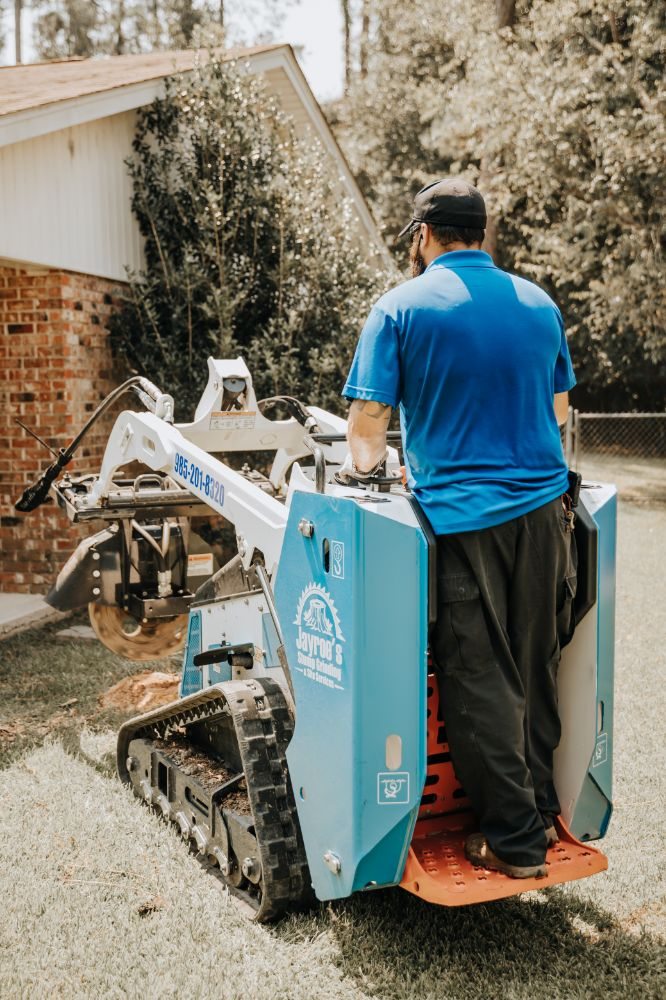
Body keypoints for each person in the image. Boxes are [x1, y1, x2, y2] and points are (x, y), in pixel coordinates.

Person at [340, 177, 578, 879]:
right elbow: (558, 411)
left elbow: (367, 430)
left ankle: (514, 843)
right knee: (535, 671)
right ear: (484, 234)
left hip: (462, 525)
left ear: (422, 237)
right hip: (544, 518)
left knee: (479, 682)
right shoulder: (539, 305)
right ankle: (534, 813)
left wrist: (371, 472)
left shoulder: (398, 310)